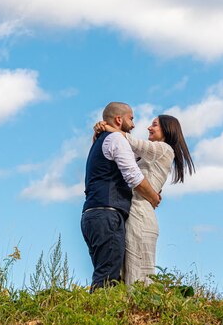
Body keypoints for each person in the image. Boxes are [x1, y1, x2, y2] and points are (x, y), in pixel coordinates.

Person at [95, 114, 194, 286]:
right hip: (135, 214)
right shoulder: (149, 154)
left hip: (140, 217)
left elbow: (133, 143)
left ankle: (141, 311)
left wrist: (109, 129)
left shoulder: (164, 149)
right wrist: (98, 135)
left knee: (137, 275)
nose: (149, 127)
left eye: (155, 125)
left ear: (167, 130)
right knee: (128, 272)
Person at [81, 102, 161, 292]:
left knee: (107, 272)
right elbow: (133, 175)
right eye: (131, 118)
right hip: (106, 214)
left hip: (95, 214)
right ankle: (99, 316)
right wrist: (153, 197)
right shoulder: (116, 139)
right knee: (108, 276)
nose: (133, 125)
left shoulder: (102, 140)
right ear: (119, 119)